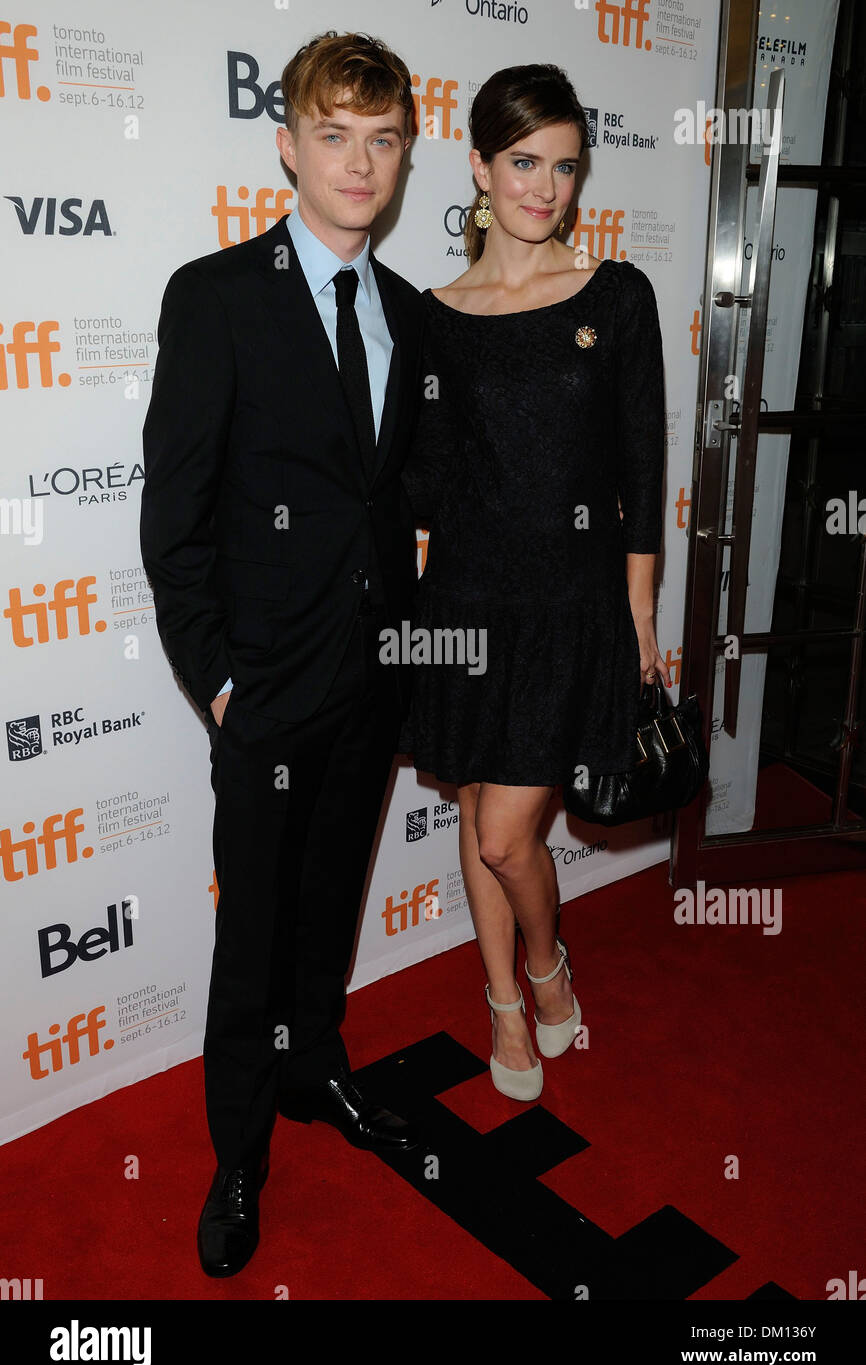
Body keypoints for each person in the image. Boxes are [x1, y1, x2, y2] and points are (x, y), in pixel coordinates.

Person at [140, 30, 425, 1278]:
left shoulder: (408, 315)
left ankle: (320, 1067)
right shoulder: (215, 297)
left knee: (326, 915)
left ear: (404, 152)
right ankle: (239, 1152)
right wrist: (219, 685)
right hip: (261, 695)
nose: (358, 163)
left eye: (382, 138)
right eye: (333, 135)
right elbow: (175, 522)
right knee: (249, 934)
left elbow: (399, 507)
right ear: (288, 145)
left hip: (372, 687)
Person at [401, 63, 671, 1103]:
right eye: (522, 162)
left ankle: (548, 964)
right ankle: (505, 1002)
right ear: (477, 165)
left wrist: (638, 612)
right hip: (461, 599)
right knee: (477, 814)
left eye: (562, 167)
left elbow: (643, 468)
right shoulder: (435, 314)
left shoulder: (615, 297)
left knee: (508, 833)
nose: (542, 187)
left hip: (569, 605)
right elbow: (422, 479)